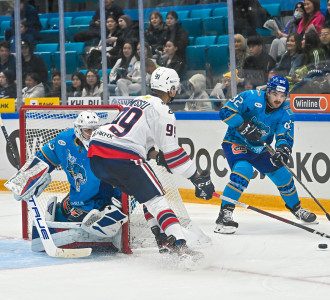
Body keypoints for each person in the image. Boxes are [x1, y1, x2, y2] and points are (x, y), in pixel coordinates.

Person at [88, 67, 215, 261]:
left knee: (146, 196)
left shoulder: (138, 101)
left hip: (98, 156)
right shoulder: (163, 111)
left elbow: (142, 143)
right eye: (175, 87)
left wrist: (156, 156)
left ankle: (162, 239)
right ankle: (180, 246)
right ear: (170, 88)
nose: (176, 91)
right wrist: (198, 179)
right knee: (157, 199)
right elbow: (173, 154)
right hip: (122, 155)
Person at [6, 111, 127, 249]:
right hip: (78, 197)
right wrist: (24, 179)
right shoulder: (64, 140)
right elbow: (43, 158)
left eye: (95, 130)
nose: (92, 134)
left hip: (101, 199)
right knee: (57, 216)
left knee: (85, 223)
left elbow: (126, 176)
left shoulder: (107, 145)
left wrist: (118, 206)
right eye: (88, 130)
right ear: (78, 130)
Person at [215, 75, 317, 234]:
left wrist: (283, 150)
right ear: (268, 92)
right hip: (236, 141)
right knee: (243, 170)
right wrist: (242, 125)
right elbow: (225, 111)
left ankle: (296, 209)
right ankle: (224, 215)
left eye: (283, 96)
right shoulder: (250, 96)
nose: (279, 99)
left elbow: (285, 135)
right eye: (275, 94)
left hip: (261, 148)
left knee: (283, 175)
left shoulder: (286, 112)